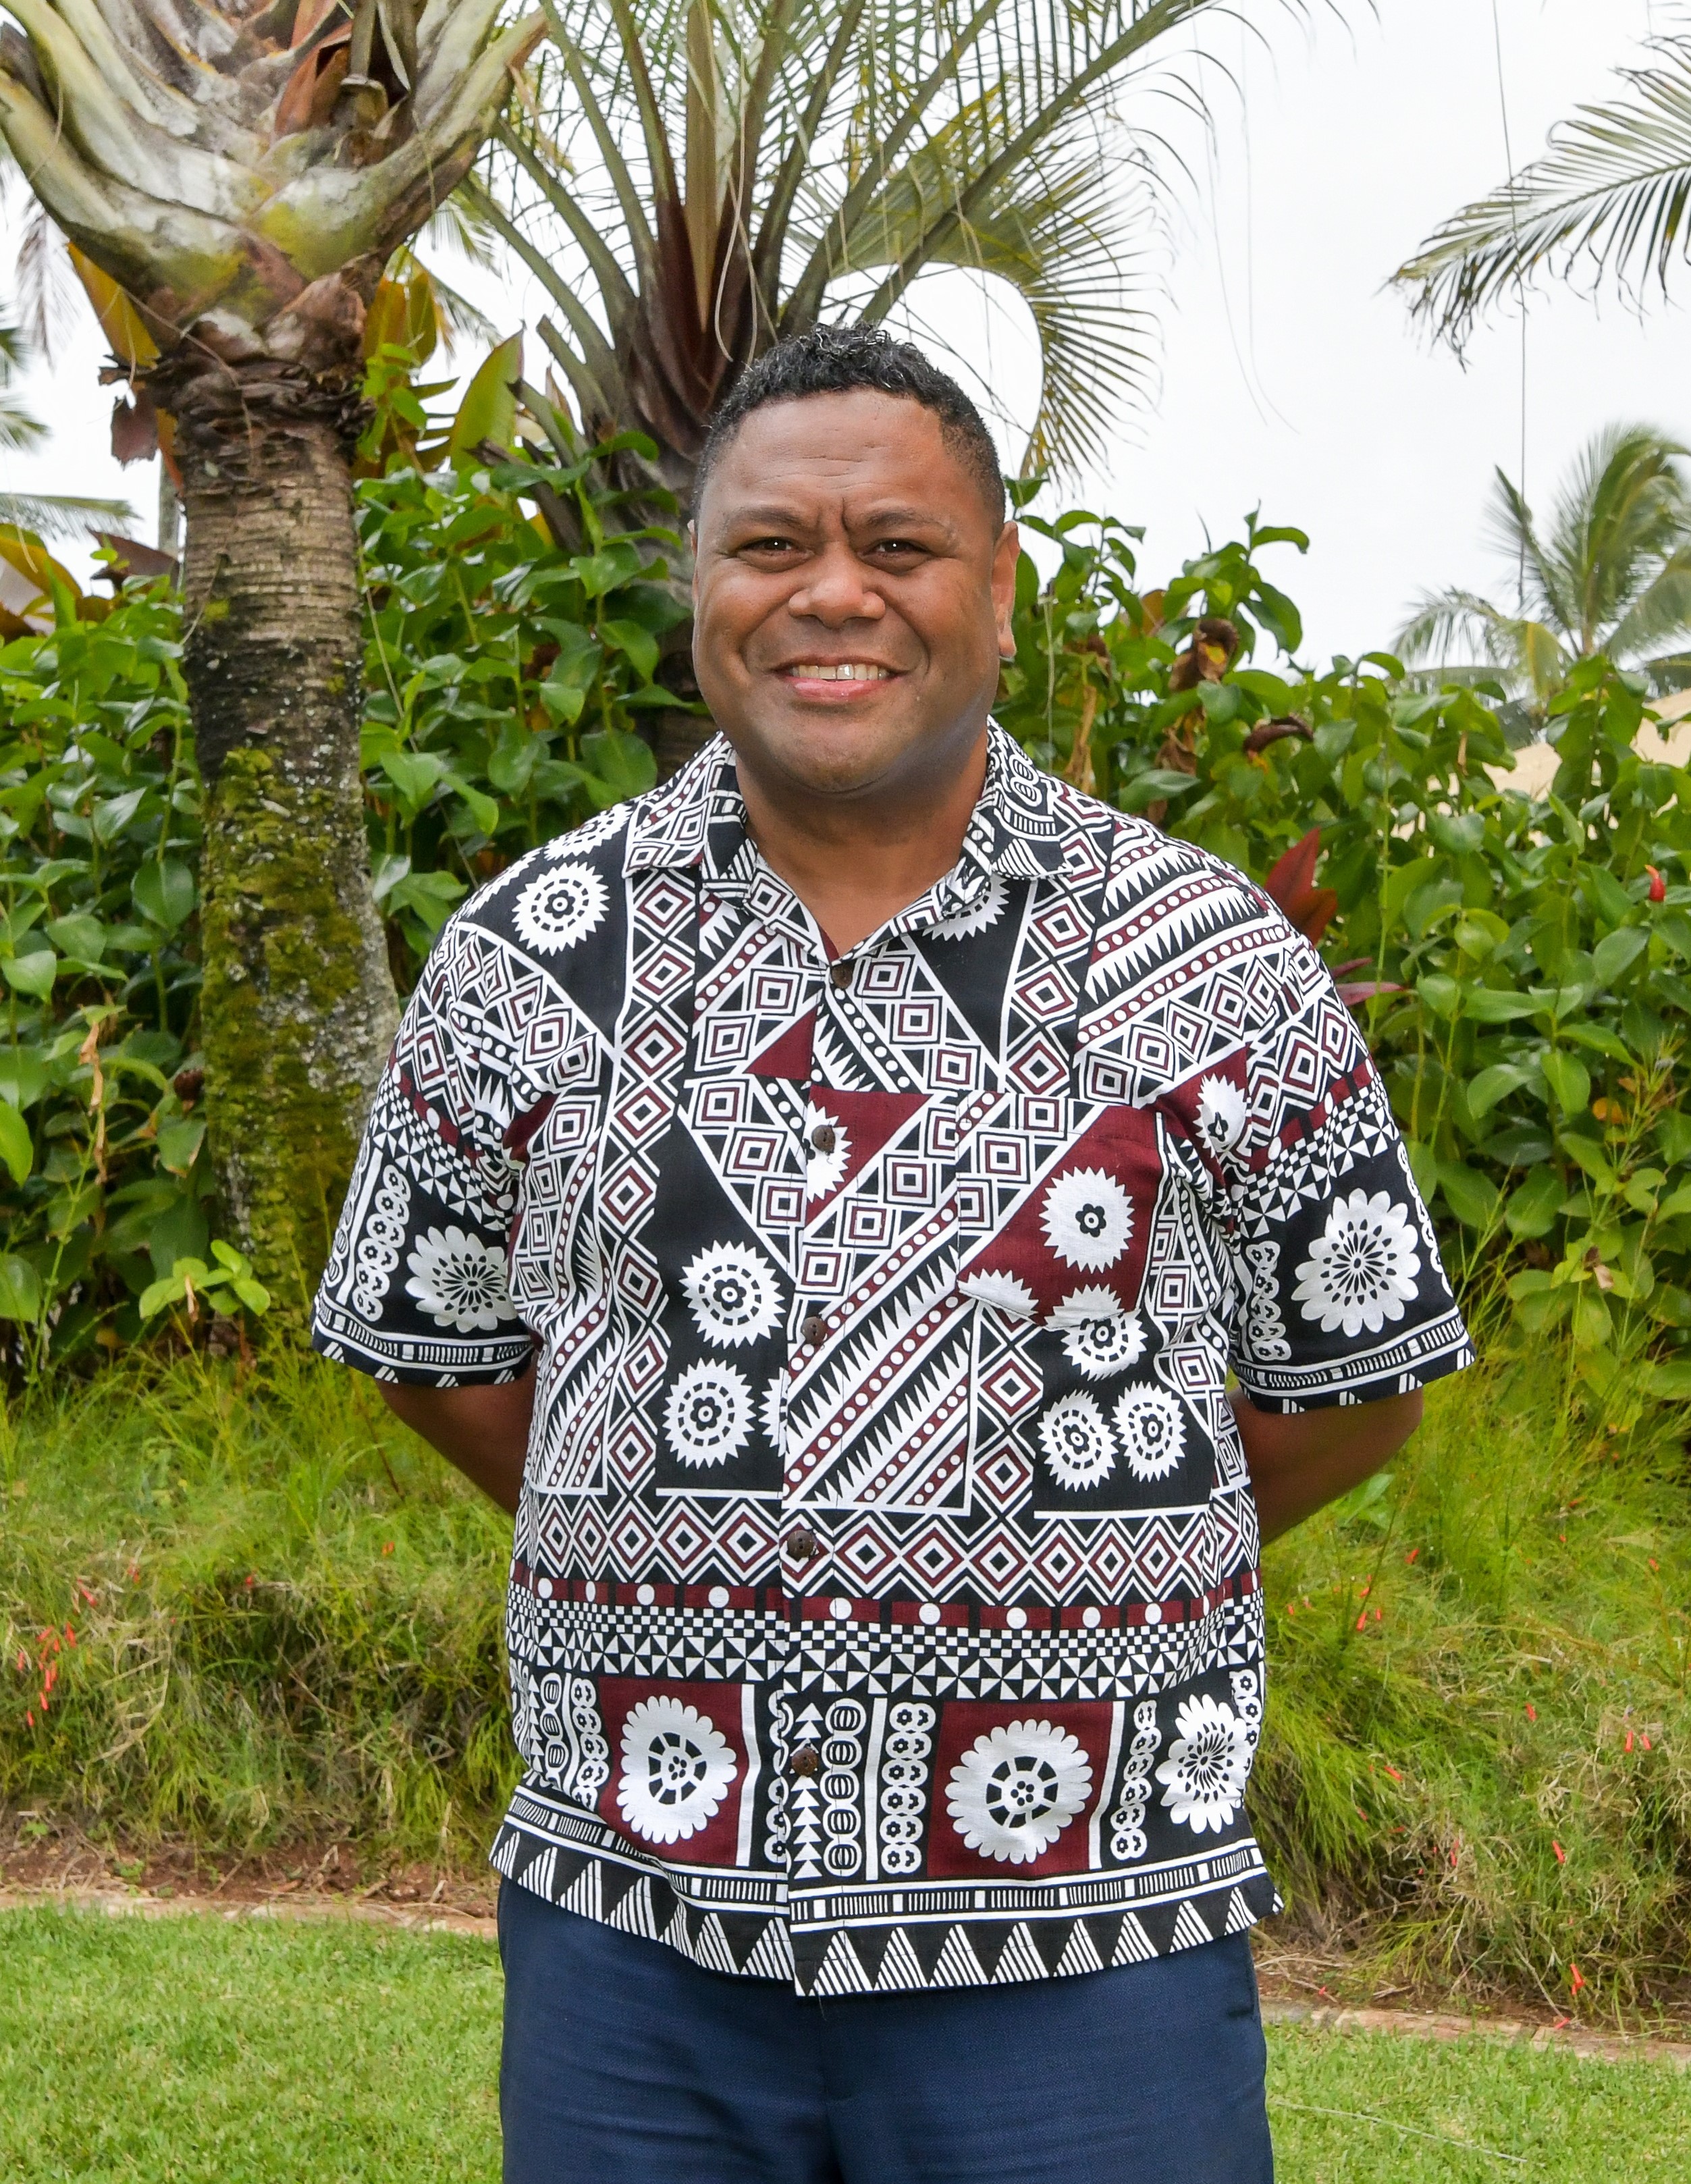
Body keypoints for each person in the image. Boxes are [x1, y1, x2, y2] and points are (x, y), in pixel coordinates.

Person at [313, 323, 1472, 2183]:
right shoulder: (528, 954)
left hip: (1087, 1945)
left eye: (897, 547)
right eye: (768, 545)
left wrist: (1093, 1563)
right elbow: (424, 1347)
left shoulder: (1205, 955)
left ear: (997, 595)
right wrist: (668, 1533)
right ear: (695, 590)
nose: (828, 591)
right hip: (640, 1935)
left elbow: (1360, 1379)